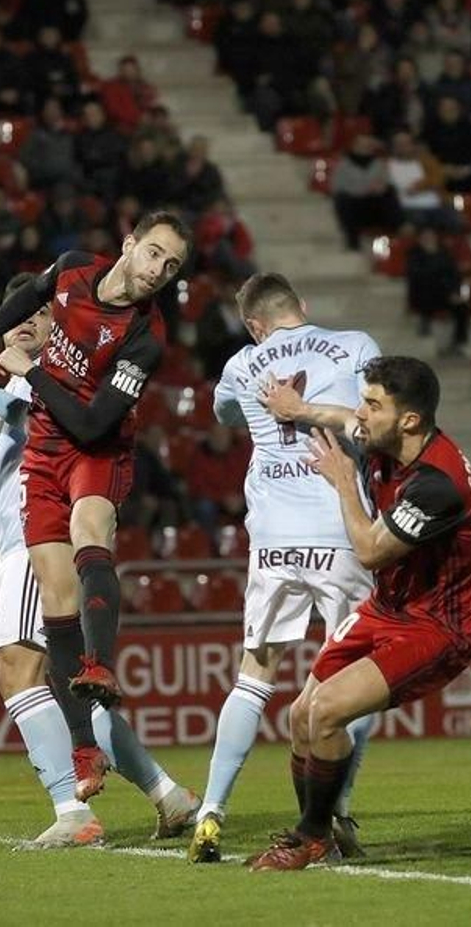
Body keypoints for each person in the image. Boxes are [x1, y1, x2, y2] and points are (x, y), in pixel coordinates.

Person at [0, 291, 198, 845]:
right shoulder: (18, 392)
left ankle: (72, 809)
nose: (25, 322)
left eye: (38, 314)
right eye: (15, 316)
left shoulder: (50, 378)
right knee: (73, 688)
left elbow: (29, 416)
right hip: (21, 540)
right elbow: (0, 502)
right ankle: (169, 795)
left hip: (39, 545)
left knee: (17, 672)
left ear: (57, 325)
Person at [249, 356, 471, 870]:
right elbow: (341, 419)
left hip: (439, 625)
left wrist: (341, 481)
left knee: (329, 711)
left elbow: (371, 552)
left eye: (373, 404)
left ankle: (310, 837)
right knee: (300, 717)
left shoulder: (437, 485)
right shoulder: (388, 438)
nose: (362, 413)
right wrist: (300, 408)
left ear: (409, 420)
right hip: (389, 607)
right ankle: (323, 833)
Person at [188, 274, 383, 864]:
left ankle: (210, 815)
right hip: (342, 529)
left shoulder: (242, 363)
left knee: (254, 677)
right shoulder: (355, 346)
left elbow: (224, 411)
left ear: (253, 324)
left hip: (273, 536)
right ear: (302, 307)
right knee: (359, 681)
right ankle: (338, 809)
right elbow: (374, 420)